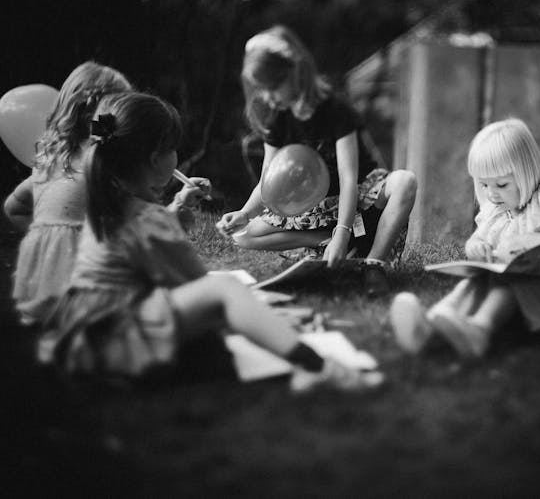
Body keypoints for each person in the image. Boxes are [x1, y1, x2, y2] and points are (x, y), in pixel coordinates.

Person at [39, 91, 384, 394]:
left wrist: (177, 208)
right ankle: (318, 367)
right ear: (157, 158)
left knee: (212, 332)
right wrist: (254, 306)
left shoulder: (108, 201)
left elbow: (137, 248)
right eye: (174, 148)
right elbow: (197, 286)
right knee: (227, 293)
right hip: (115, 339)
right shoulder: (149, 221)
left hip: (86, 331)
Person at [217, 25, 417, 296]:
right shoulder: (277, 117)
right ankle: (327, 243)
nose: (267, 96)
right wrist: (245, 213)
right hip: (318, 209)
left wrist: (342, 231)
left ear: (294, 73)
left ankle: (373, 263)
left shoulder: (335, 109)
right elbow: (268, 180)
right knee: (243, 236)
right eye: (262, 90)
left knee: (405, 181)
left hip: (359, 196)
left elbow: (349, 178)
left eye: (273, 87)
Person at [389, 119, 540, 358]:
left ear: (526, 171)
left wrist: (528, 240)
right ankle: (433, 324)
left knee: (512, 277)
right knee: (477, 280)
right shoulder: (494, 209)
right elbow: (477, 241)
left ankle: (479, 329)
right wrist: (476, 246)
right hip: (513, 288)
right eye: (483, 184)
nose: (491, 193)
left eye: (501, 184)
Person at [3, 61, 135, 326]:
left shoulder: (48, 160)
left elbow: (13, 208)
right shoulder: (100, 160)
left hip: (36, 288)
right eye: (118, 111)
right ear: (96, 114)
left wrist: (48, 232)